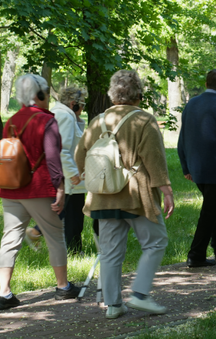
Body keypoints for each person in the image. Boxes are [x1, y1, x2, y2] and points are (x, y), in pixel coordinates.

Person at [75, 70, 174, 319]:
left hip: (103, 195)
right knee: (156, 241)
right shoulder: (143, 120)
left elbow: (80, 155)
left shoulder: (98, 120)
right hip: (134, 194)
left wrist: (84, 174)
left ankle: (114, 305)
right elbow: (155, 159)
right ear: (138, 94)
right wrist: (166, 190)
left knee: (109, 252)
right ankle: (140, 295)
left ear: (112, 94)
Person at [0, 74, 80, 310]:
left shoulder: (11, 120)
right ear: (39, 94)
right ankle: (63, 287)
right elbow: (53, 157)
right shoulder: (46, 121)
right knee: (54, 235)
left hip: (11, 187)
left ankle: (4, 293)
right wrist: (60, 187)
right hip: (39, 187)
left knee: (10, 237)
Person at [177, 69, 216, 268]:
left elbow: (182, 138)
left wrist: (185, 165)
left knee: (212, 207)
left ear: (206, 85)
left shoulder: (191, 105)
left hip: (196, 167)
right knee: (210, 211)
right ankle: (196, 254)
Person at [42, 86, 88, 255]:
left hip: (64, 176)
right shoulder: (65, 117)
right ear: (73, 103)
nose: (82, 109)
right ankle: (73, 251)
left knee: (70, 215)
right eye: (81, 105)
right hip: (67, 177)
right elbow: (63, 150)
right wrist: (72, 174)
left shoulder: (62, 114)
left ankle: (70, 249)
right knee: (73, 218)